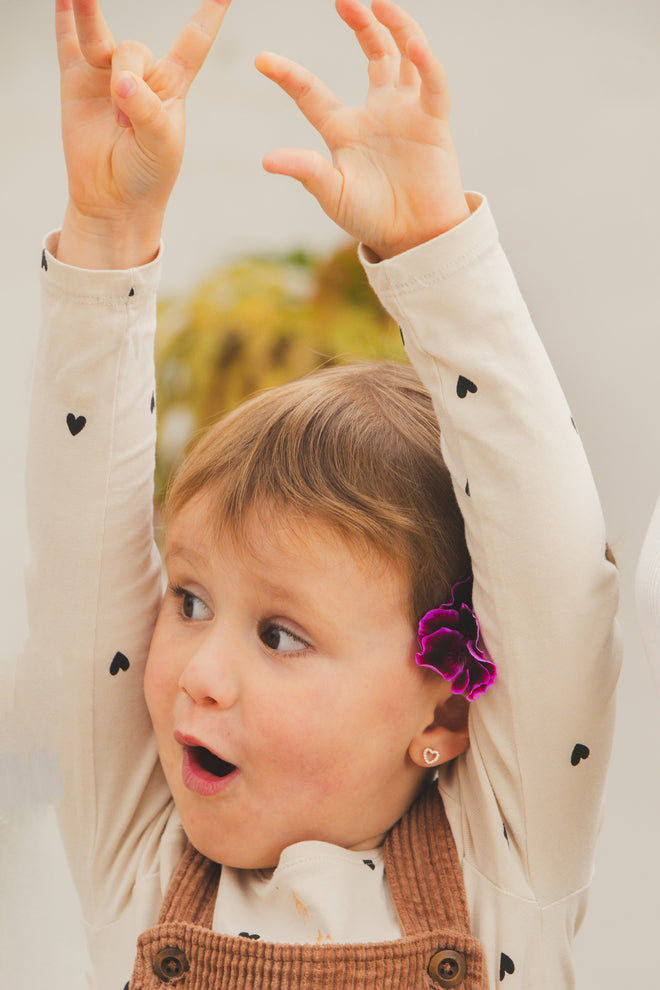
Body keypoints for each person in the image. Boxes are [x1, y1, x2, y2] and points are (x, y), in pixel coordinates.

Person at [24, 0, 621, 986]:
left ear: (446, 715)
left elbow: (556, 580)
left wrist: (434, 249)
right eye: (189, 601)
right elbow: (78, 554)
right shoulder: (142, 854)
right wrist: (108, 231)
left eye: (280, 635)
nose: (198, 674)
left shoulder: (504, 866)